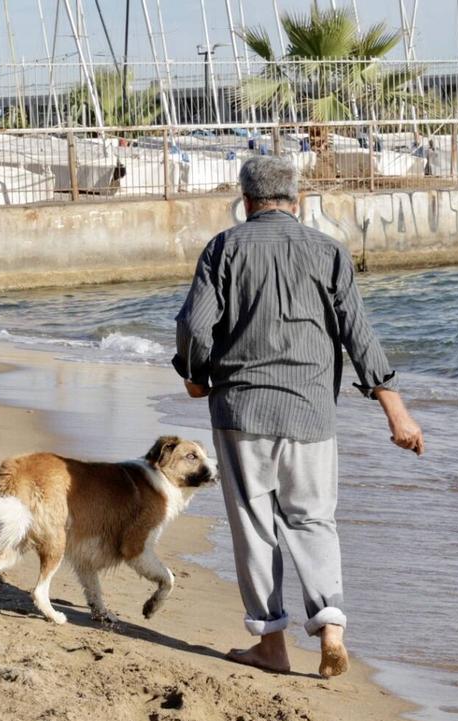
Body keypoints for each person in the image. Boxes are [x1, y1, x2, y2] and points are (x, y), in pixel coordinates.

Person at [173, 156, 424, 678]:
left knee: (255, 526)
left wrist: (195, 375)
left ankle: (271, 644)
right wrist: (392, 406)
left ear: (245, 201)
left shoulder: (224, 248)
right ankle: (330, 625)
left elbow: (195, 328)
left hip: (242, 408)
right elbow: (358, 332)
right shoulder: (329, 251)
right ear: (298, 199)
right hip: (311, 412)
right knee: (313, 520)